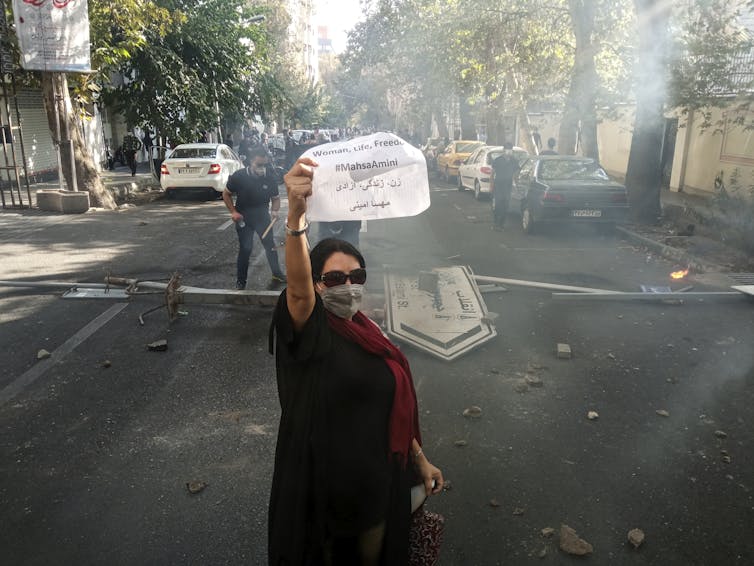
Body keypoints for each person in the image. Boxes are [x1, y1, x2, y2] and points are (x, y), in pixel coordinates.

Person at [268, 156, 444, 565]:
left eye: (356, 277)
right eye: (334, 279)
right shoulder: (310, 328)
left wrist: (420, 459)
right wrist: (295, 218)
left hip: (377, 491)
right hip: (322, 495)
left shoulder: (367, 330)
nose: (347, 286)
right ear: (316, 283)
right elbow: (296, 291)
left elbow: (387, 407)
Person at [223, 147, 286, 290]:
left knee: (270, 245)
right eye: (259, 165)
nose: (262, 168)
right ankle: (241, 281)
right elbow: (226, 194)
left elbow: (275, 198)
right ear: (251, 162)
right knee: (246, 248)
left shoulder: (269, 177)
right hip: (243, 217)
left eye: (265, 165)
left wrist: (275, 211)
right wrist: (233, 212)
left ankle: (277, 274)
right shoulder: (238, 176)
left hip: (262, 216)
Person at [490, 142, 520, 231]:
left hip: (508, 186)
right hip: (498, 186)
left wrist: (516, 183)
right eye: (507, 149)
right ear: (504, 150)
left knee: (506, 206)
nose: (509, 152)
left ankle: (501, 224)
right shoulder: (498, 160)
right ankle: (496, 223)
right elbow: (492, 174)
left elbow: (517, 172)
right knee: (498, 205)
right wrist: (491, 185)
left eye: (510, 150)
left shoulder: (514, 161)